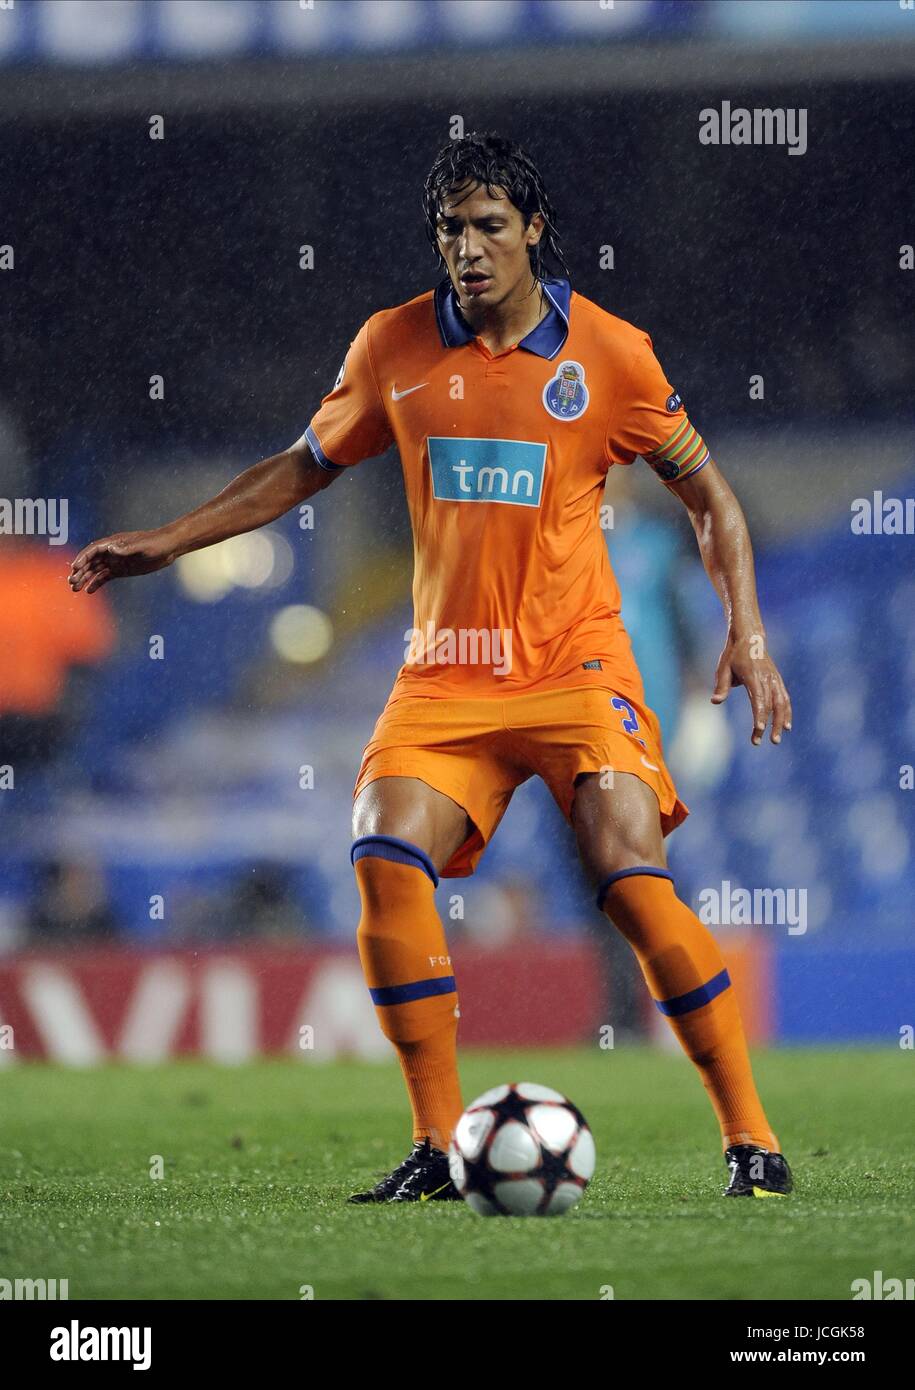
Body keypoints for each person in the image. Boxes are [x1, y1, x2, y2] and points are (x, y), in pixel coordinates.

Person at [68, 133, 793, 1204]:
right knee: (380, 849)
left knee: (632, 882)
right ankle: (436, 1145)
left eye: (489, 225)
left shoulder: (612, 356)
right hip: (446, 676)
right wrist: (166, 541)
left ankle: (752, 1138)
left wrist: (749, 633)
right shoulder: (392, 346)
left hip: (579, 666)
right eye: (450, 228)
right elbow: (300, 467)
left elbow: (710, 496)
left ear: (534, 231)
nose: (467, 247)